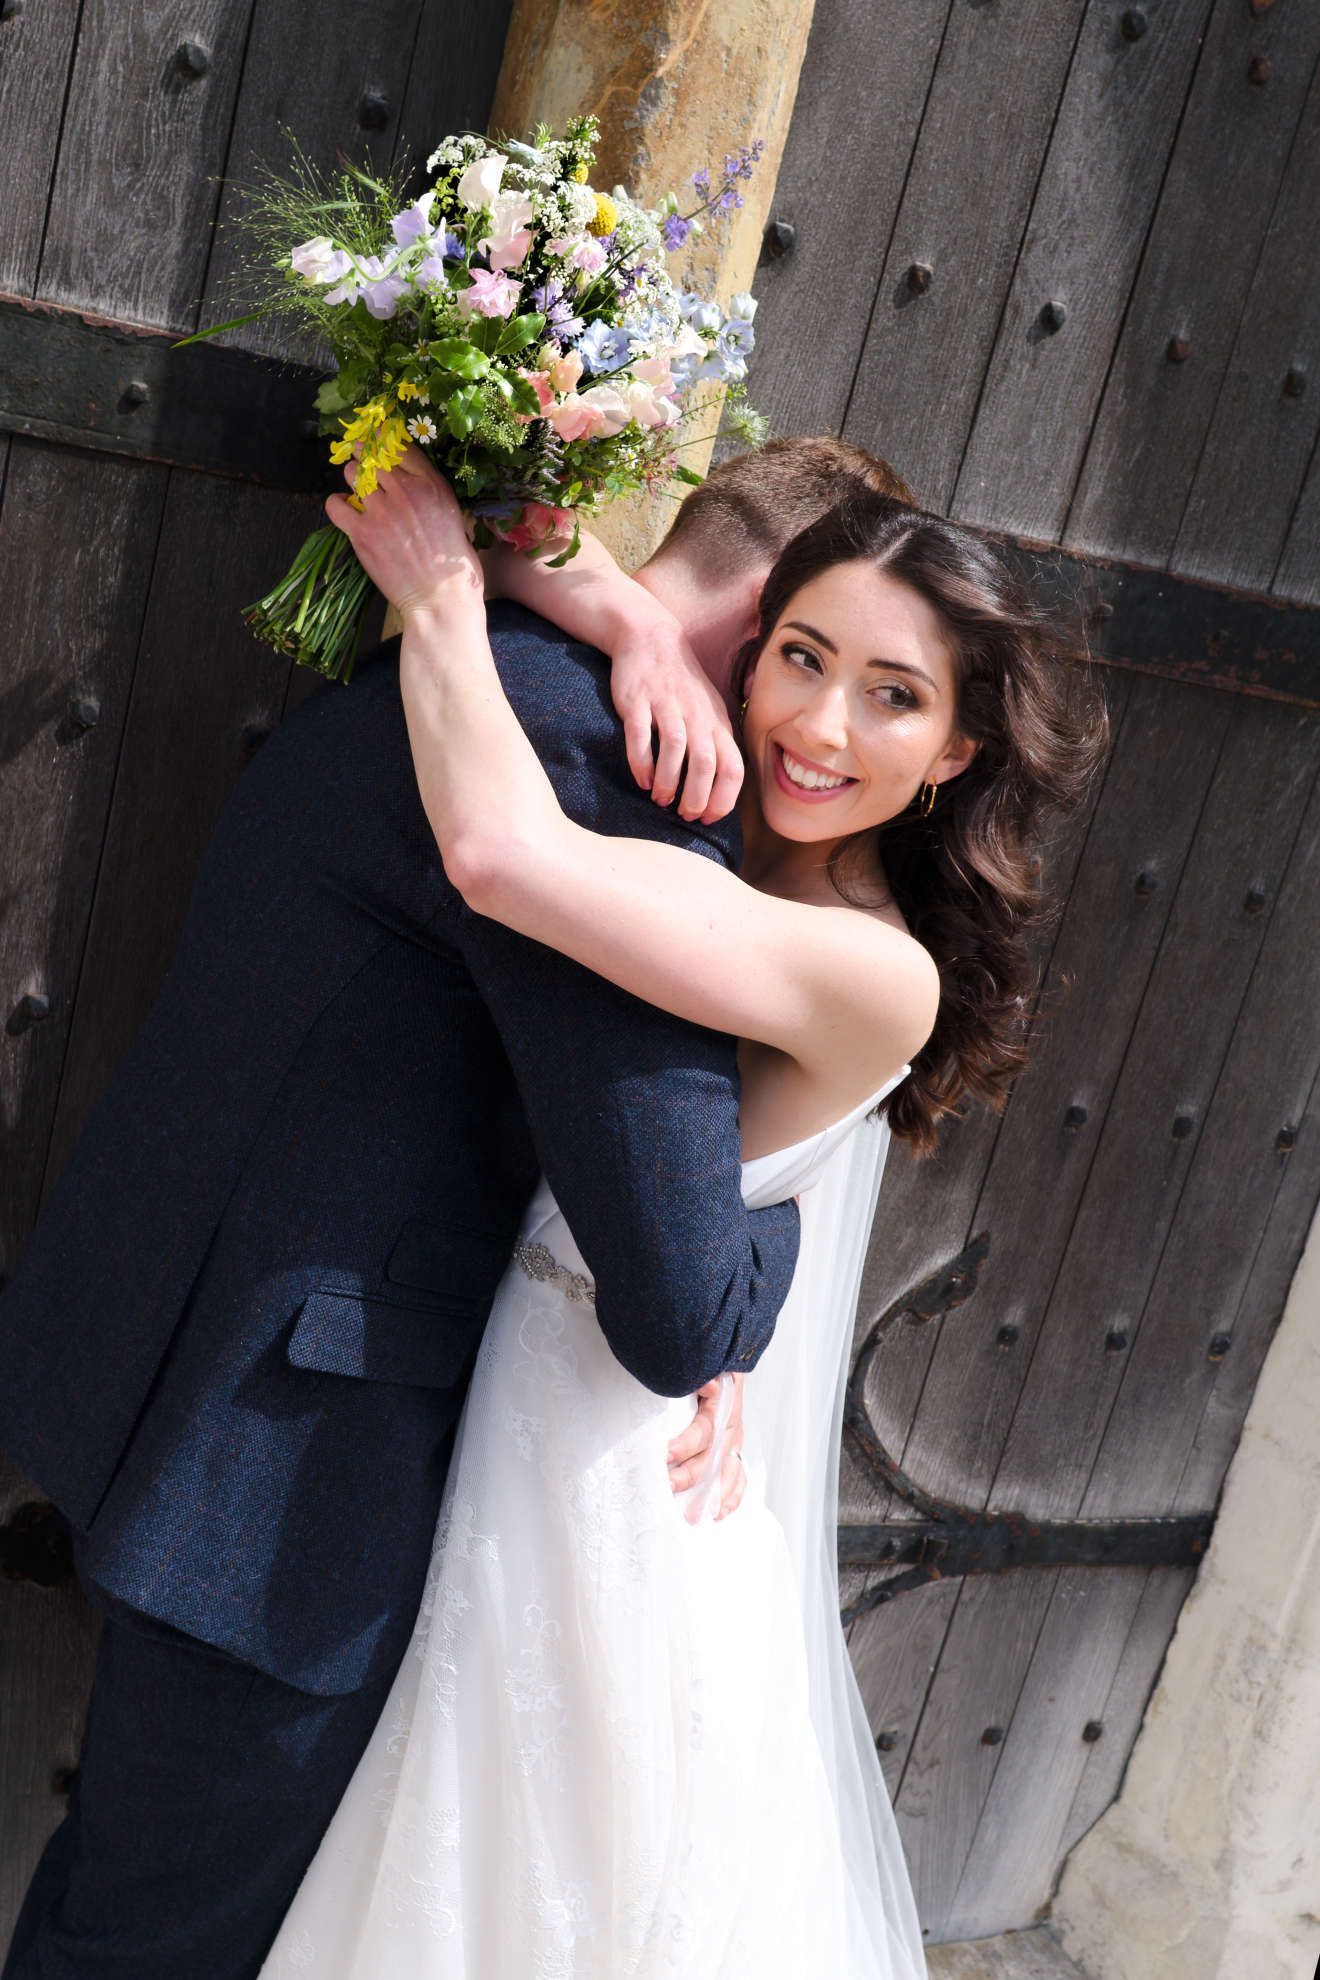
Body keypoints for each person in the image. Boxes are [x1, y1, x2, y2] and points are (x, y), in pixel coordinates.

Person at [0, 439, 920, 1980]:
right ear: (775, 619)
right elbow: (682, 1302)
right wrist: (767, 1241)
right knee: (145, 1943)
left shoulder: (485, 664)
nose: (816, 719)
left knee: (127, 1905)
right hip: (289, 1471)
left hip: (183, 1351)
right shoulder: (609, 771)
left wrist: (551, 598)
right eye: (813, 657)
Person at [255, 453, 1110, 1975]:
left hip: (595, 1471)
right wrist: (635, 628)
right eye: (801, 658)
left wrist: (442, 598)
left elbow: (507, 859)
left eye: (892, 697)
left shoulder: (876, 967)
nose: (819, 724)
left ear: (958, 756)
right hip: (498, 1392)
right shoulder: (712, 822)